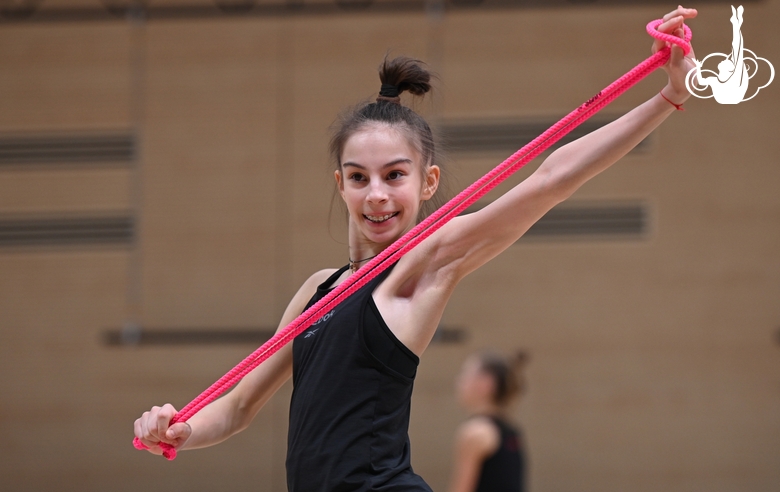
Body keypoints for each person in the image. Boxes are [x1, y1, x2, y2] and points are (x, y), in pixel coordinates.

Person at [133, 6, 698, 491]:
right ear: (341, 185)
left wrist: (667, 97)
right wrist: (181, 429)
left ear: (427, 184)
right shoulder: (318, 289)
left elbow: (549, 179)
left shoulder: (424, 266)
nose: (376, 195)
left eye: (394, 176)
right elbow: (235, 407)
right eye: (359, 177)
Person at [450, 351, 529, 492]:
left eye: (465, 374)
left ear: (486, 383)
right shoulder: (512, 431)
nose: (458, 381)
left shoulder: (475, 432)